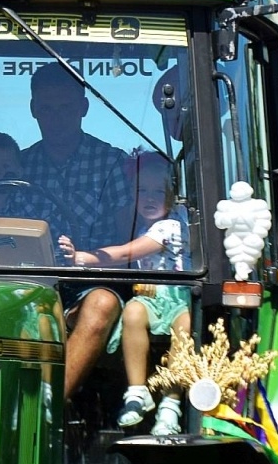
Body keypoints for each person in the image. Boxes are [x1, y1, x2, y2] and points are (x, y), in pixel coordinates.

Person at [18, 64, 134, 398]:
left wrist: (87, 259)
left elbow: (126, 237)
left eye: (66, 108)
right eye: (47, 109)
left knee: (101, 304)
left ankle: (47, 411)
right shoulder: (20, 164)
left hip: (91, 280)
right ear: (34, 110)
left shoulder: (111, 161)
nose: (56, 117)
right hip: (28, 279)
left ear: (83, 108)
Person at [59, 152, 193, 434]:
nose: (149, 198)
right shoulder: (145, 224)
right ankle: (137, 391)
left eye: (159, 191)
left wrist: (82, 258)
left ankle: (171, 402)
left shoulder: (170, 227)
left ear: (174, 194)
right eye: (142, 191)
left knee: (186, 327)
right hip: (151, 300)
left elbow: (125, 253)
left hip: (179, 299)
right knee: (132, 311)